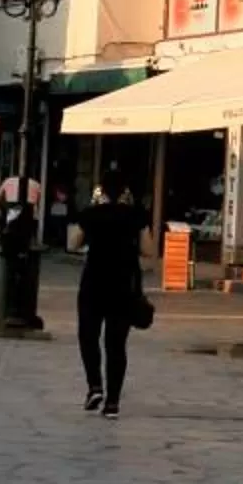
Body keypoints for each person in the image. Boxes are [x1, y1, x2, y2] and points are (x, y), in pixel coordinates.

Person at [75, 168, 153, 414]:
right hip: (123, 285)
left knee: (88, 336)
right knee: (116, 344)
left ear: (101, 190)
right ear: (125, 191)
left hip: (94, 283)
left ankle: (95, 386)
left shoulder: (91, 214)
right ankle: (113, 402)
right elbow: (148, 250)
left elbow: (74, 243)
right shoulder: (136, 215)